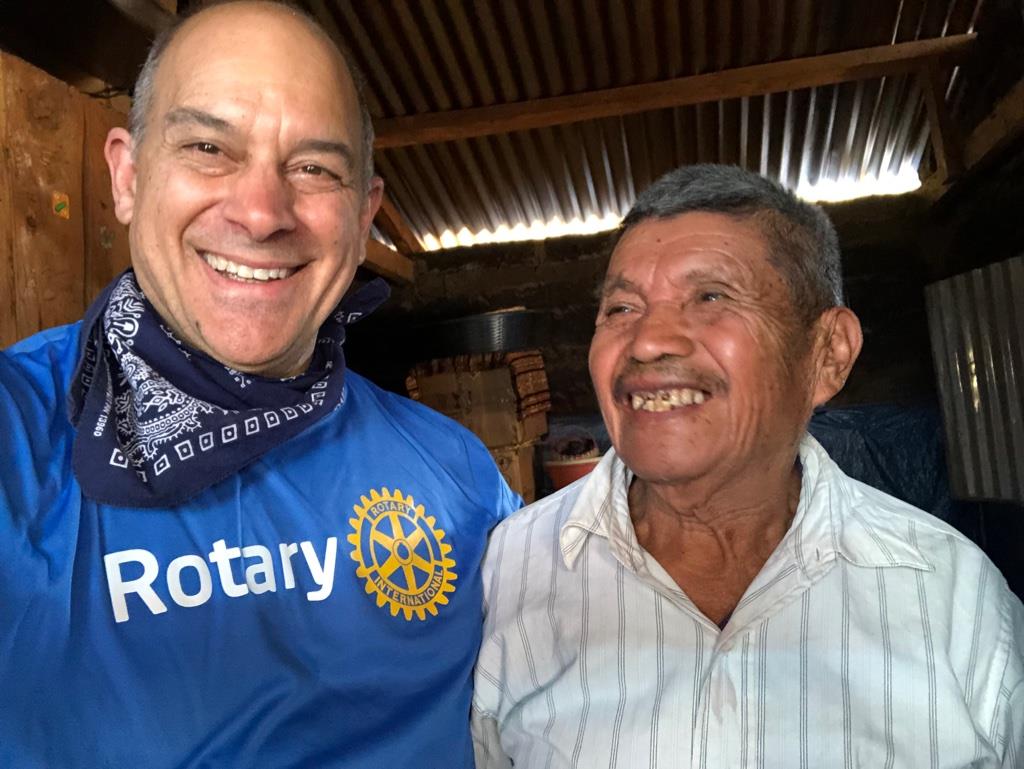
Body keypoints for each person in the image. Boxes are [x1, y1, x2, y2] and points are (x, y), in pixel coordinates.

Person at [0, 3, 519, 767]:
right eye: (208, 147)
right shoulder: (17, 433)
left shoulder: (461, 476)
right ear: (128, 176)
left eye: (314, 168)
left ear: (363, 217)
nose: (261, 213)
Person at [472, 164, 1024, 768]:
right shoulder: (506, 574)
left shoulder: (951, 594)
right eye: (622, 308)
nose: (648, 341)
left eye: (710, 297)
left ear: (828, 354)